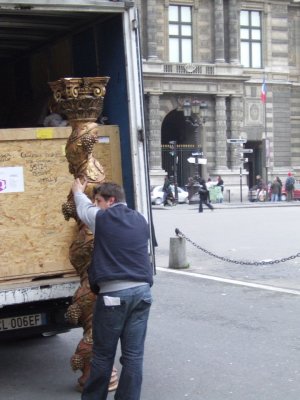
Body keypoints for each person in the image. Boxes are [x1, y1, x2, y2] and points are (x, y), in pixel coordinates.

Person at [71, 179, 153, 400]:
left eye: (98, 201)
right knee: (134, 356)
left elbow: (82, 208)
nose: (96, 205)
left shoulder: (103, 218)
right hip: (142, 293)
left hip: (114, 295)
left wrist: (78, 191)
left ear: (111, 201)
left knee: (103, 355)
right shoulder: (141, 218)